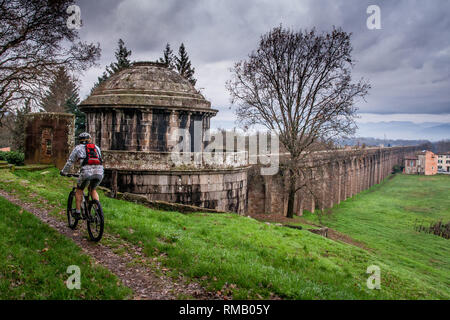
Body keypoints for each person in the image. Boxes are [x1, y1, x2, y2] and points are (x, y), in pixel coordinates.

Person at [60, 132, 104, 219]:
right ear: (90, 140)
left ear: (79, 140)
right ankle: (98, 212)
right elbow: (100, 159)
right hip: (100, 171)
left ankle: (77, 212)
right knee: (93, 189)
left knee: (79, 190)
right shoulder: (96, 147)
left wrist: (63, 172)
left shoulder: (77, 148)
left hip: (86, 172)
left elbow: (70, 162)